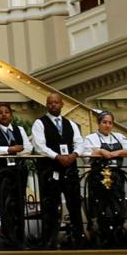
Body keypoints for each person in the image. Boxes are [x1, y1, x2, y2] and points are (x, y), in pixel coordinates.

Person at [33, 92, 85, 246]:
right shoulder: (40, 123)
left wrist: (74, 155)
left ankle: (78, 238)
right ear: (46, 105)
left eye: (56, 102)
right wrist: (57, 156)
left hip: (70, 169)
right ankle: (50, 240)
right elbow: (39, 146)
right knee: (51, 206)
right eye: (50, 103)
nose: (53, 105)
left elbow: (79, 143)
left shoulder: (71, 124)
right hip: (50, 170)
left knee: (74, 203)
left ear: (62, 104)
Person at [80, 113, 127, 247]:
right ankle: (103, 237)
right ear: (99, 123)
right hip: (98, 177)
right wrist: (100, 151)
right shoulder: (91, 138)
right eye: (104, 122)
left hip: (116, 177)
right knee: (101, 207)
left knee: (118, 205)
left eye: (110, 123)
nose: (107, 125)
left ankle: (117, 235)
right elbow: (85, 156)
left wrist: (118, 152)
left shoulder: (118, 137)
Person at [0, 104, 32, 246]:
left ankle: (20, 236)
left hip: (18, 171)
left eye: (6, 112)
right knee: (4, 204)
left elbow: (28, 148)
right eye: (0, 113)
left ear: (11, 114)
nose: (4, 115)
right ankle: (8, 236)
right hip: (0, 171)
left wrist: (17, 152)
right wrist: (10, 149)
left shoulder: (19, 129)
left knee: (19, 203)